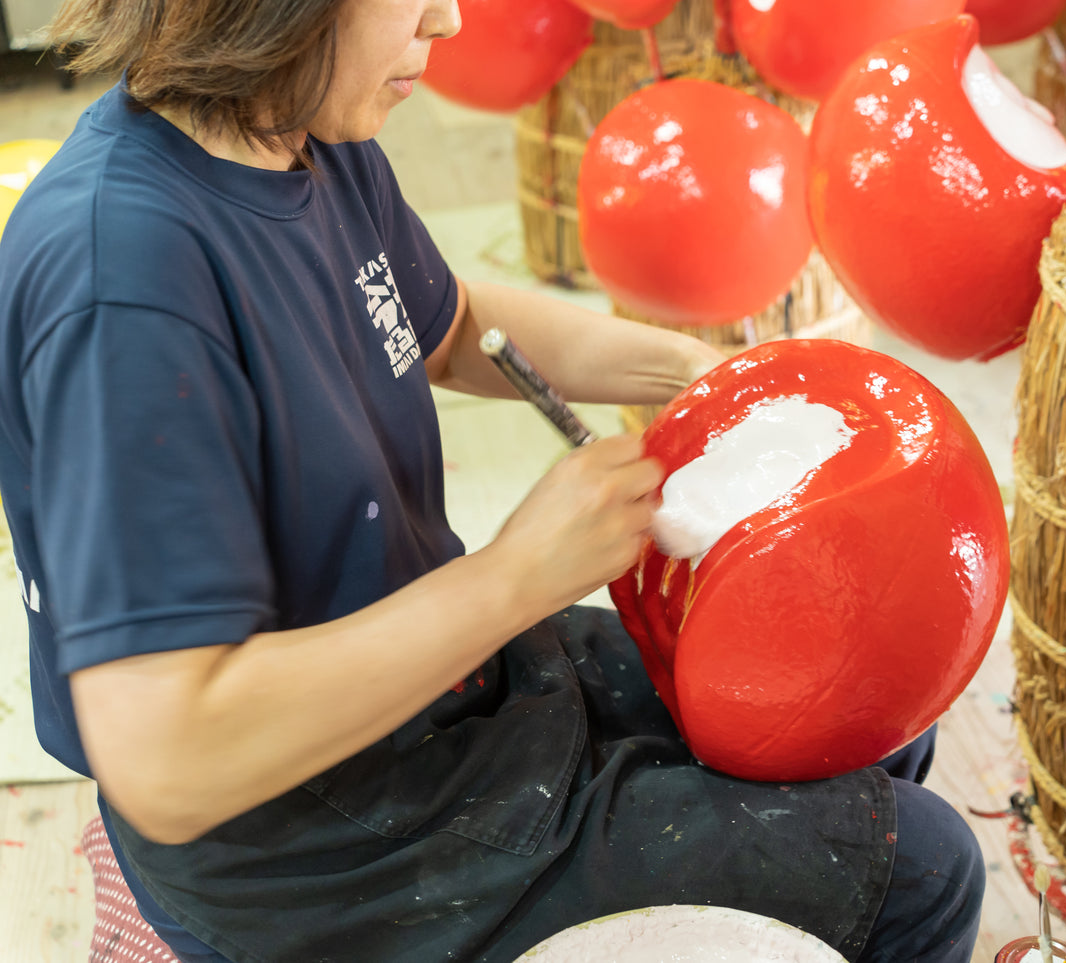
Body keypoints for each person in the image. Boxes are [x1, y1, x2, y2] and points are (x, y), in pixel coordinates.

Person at [0, 1, 986, 960]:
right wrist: (516, 576)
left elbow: (455, 326)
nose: (450, 22)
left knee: (846, 703)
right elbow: (168, 761)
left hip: (447, 693)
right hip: (316, 844)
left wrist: (694, 377)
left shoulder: (298, 127)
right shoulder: (123, 285)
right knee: (923, 869)